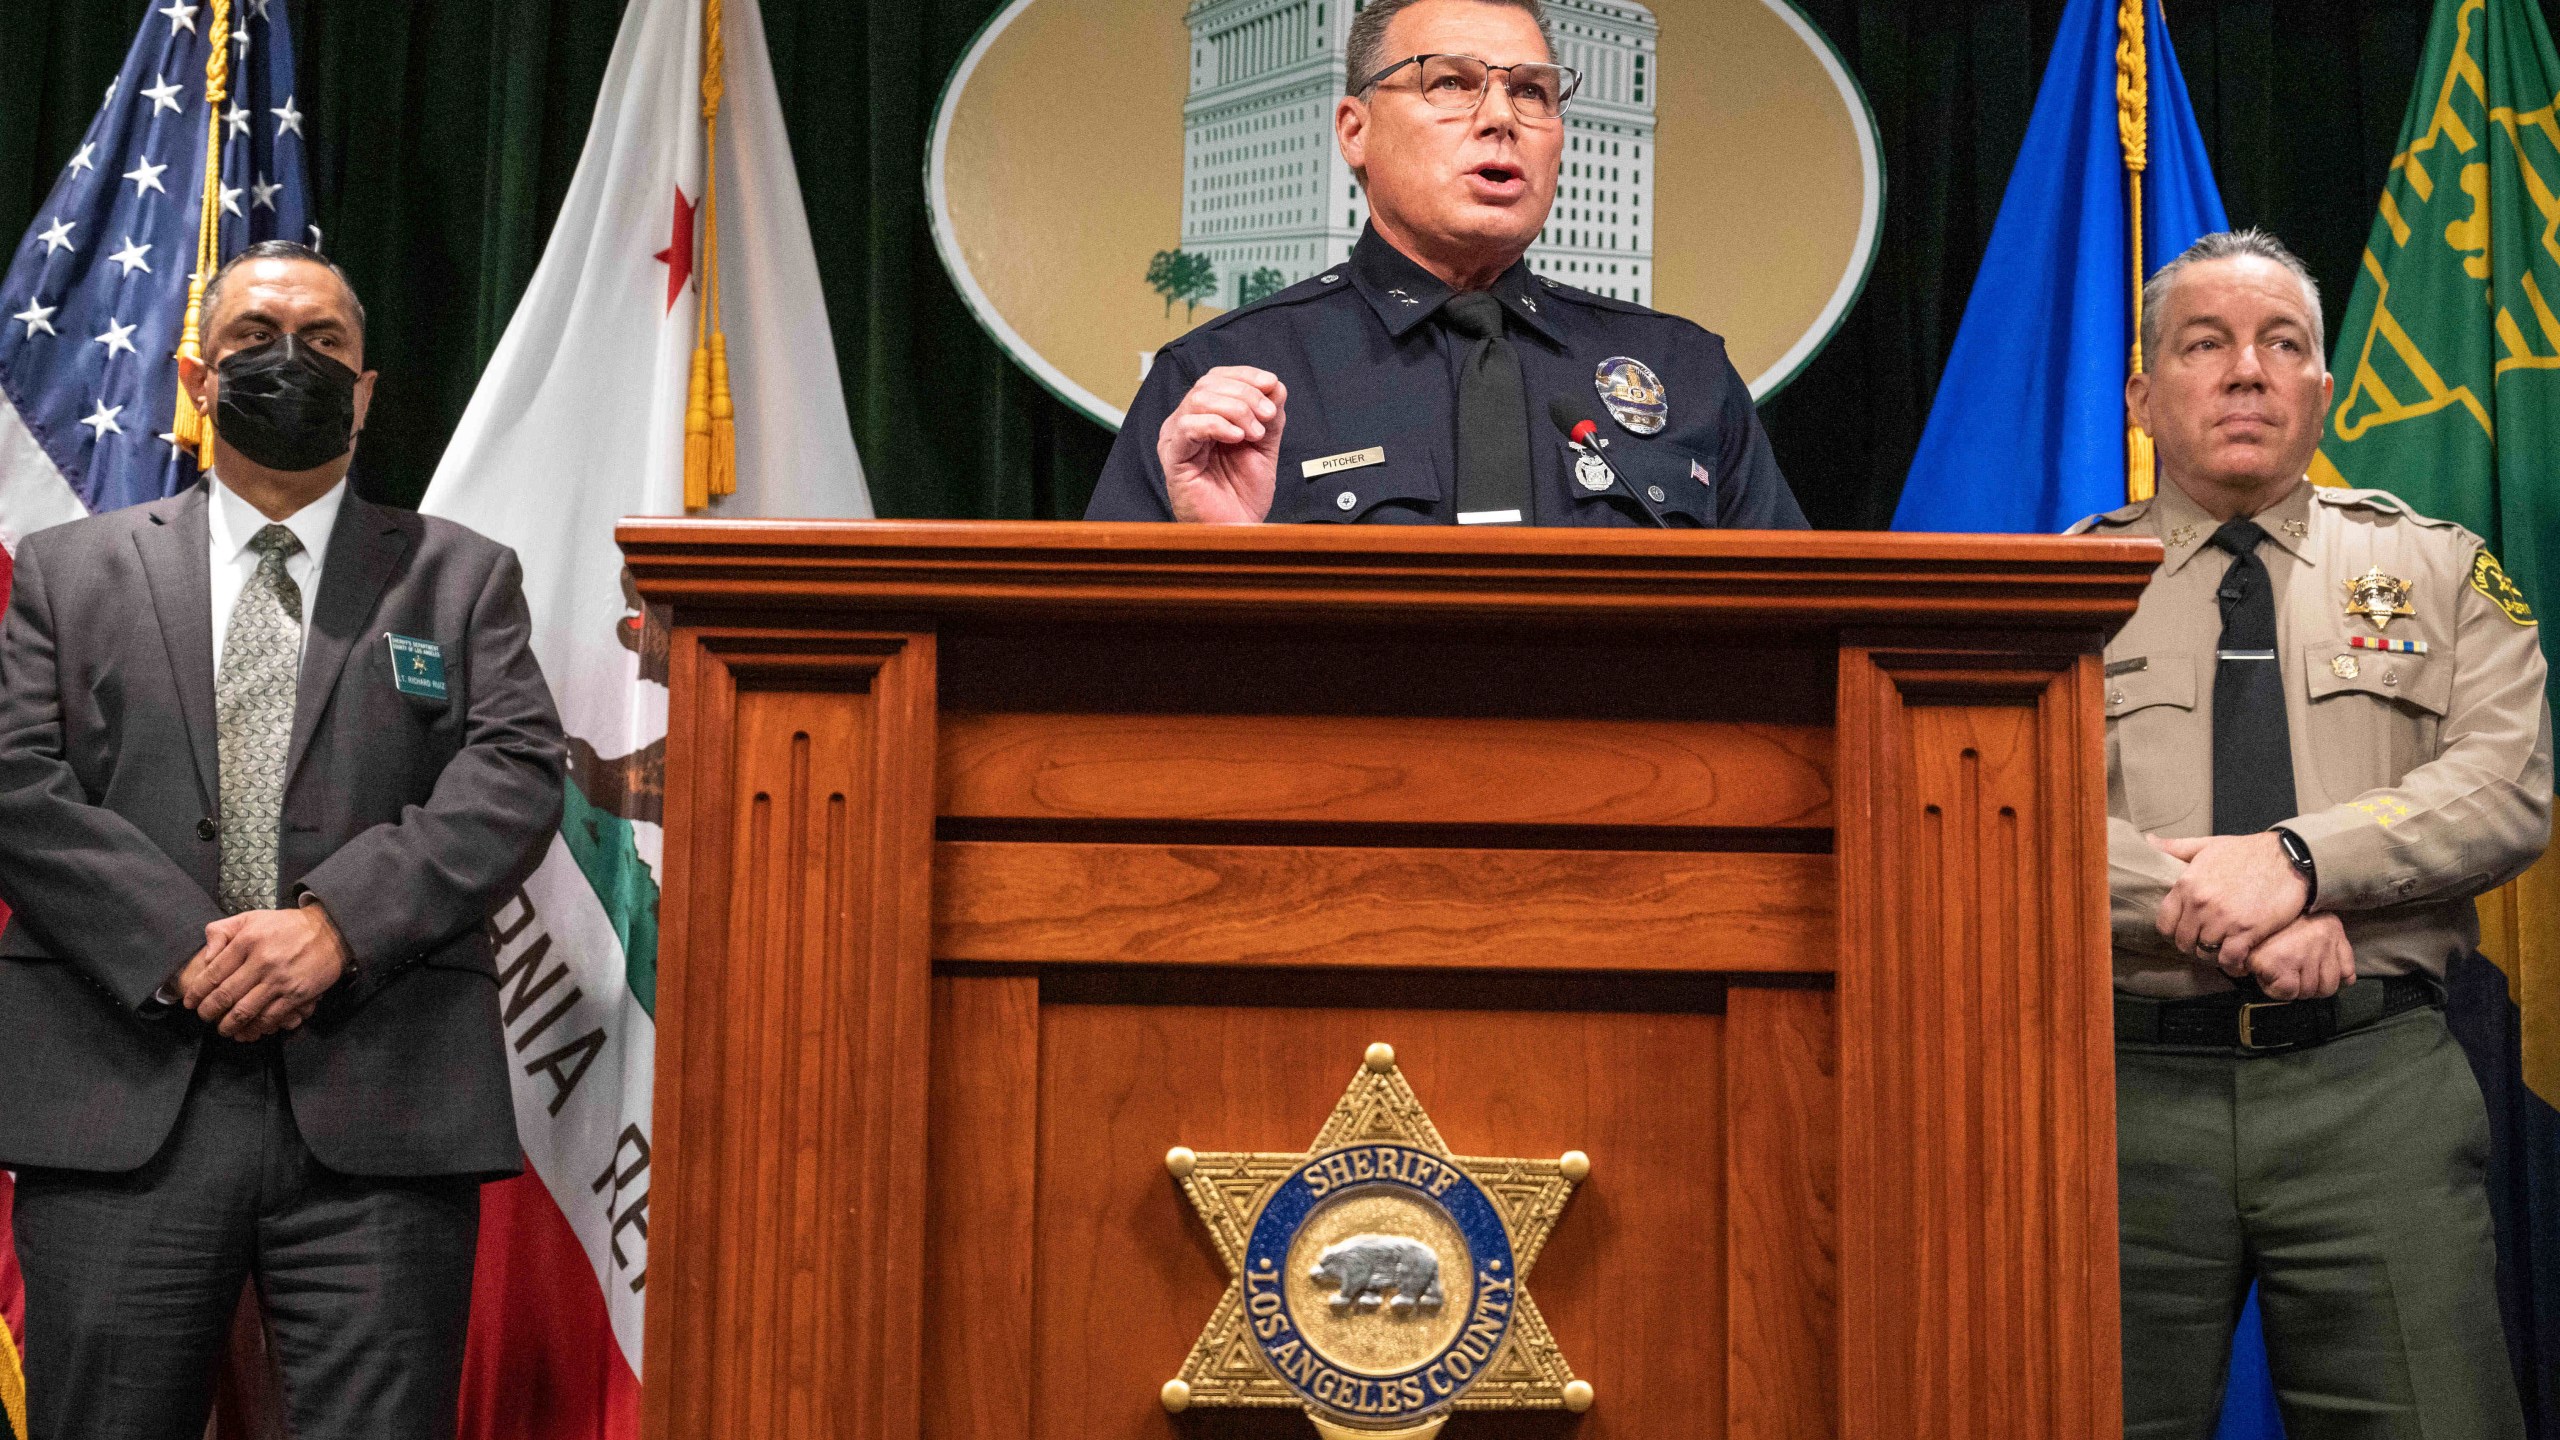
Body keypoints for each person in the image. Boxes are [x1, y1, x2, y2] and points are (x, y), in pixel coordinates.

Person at [0, 240, 566, 1439]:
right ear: (196, 380)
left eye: (324, 345)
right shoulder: (66, 571)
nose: (288, 362)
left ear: (365, 392)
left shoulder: (462, 581)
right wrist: (182, 950)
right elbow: (16, 780)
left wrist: (331, 928)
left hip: (382, 1108)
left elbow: (514, 774)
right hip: (121, 1099)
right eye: (254, 339)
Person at [2074, 229, 2542, 1436]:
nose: (2247, 371)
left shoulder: (2438, 573)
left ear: (2321, 390)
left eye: (2282, 345)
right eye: (2206, 344)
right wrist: (2224, 914)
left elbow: (2506, 785)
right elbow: (2004, 806)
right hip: (2117, 1098)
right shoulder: (2051, 586)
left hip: (2371, 1090)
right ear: (2142, 391)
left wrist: (2296, 864)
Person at [1085, 0, 1805, 530]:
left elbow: (1803, 635)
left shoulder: (1684, 371)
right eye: (1451, 83)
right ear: (1355, 131)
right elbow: (1095, 675)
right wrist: (1224, 561)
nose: (1502, 117)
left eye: (1531, 91)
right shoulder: (1224, 378)